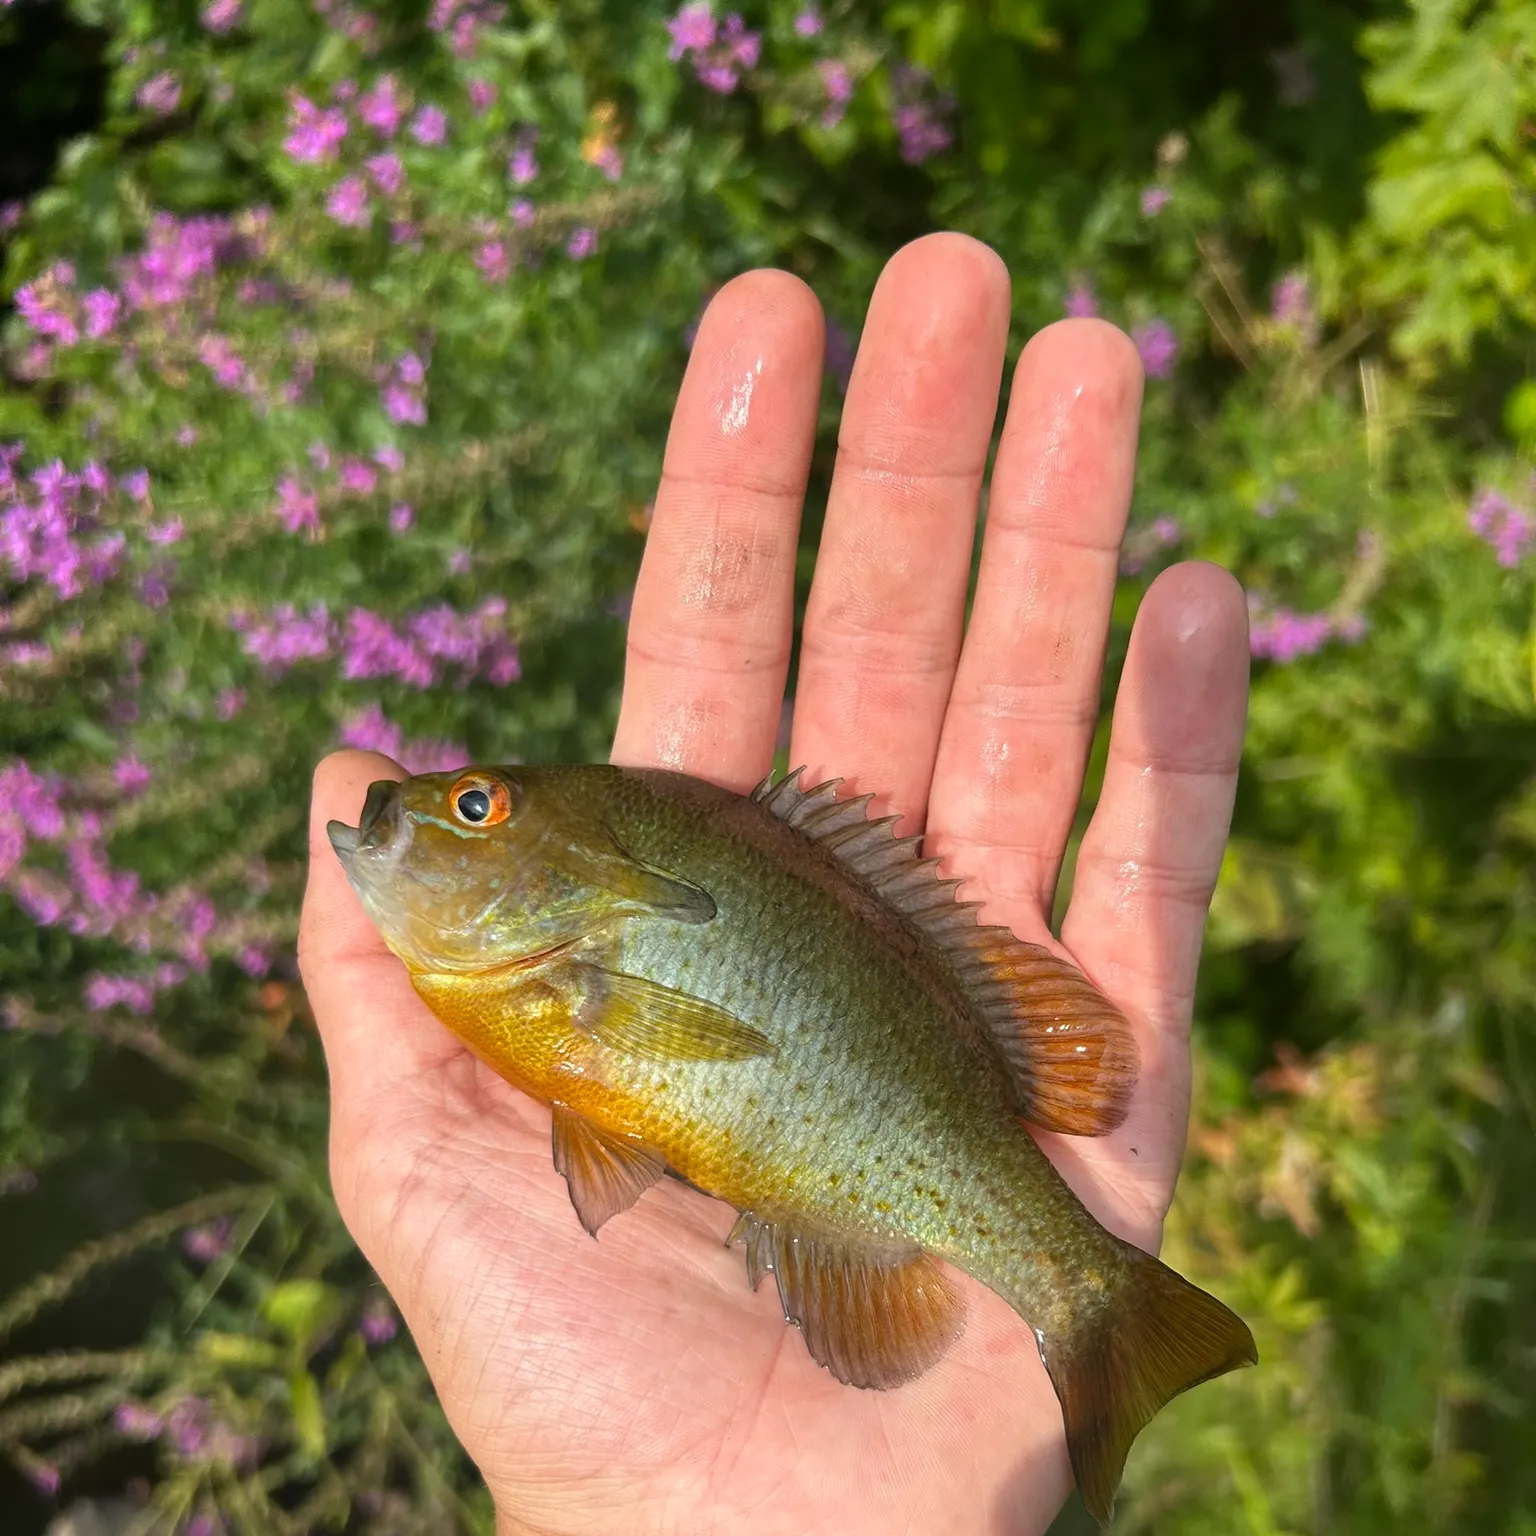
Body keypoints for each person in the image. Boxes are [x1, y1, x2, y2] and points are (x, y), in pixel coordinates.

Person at [298, 233, 1249, 1535]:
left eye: (478, 808)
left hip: (926, 1124)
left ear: (571, 864)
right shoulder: (540, 976)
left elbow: (640, 1081)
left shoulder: (555, 974)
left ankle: (1096, 1304)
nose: (430, 811)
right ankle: (1094, 1310)